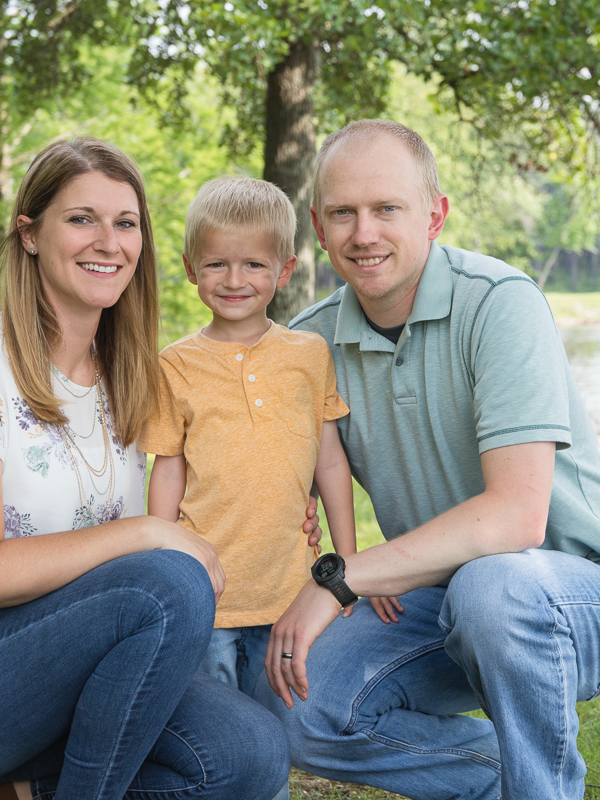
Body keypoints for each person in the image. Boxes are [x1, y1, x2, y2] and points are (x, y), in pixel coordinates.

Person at [0, 138, 290, 800]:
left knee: (247, 754)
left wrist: (290, 514)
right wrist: (145, 534)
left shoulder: (126, 382)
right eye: (81, 218)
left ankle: (16, 793)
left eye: (126, 223)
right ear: (29, 234)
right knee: (161, 581)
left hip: (67, 669)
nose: (108, 242)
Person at [259, 120, 600, 800]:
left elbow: (516, 519)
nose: (364, 233)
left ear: (435, 215)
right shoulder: (308, 348)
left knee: (494, 588)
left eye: (386, 209)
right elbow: (247, 481)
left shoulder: (499, 305)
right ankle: (505, 779)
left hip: (593, 598)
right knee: (299, 703)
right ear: (319, 225)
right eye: (344, 213)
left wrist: (344, 578)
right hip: (441, 597)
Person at [140, 177, 397, 700]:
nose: (235, 280)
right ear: (191, 269)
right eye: (216, 264)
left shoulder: (308, 355)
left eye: (254, 264)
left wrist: (345, 566)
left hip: (289, 592)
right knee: (216, 728)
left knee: (277, 728)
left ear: (284, 270)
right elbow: (167, 468)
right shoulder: (175, 365)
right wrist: (163, 567)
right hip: (205, 596)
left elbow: (329, 461)